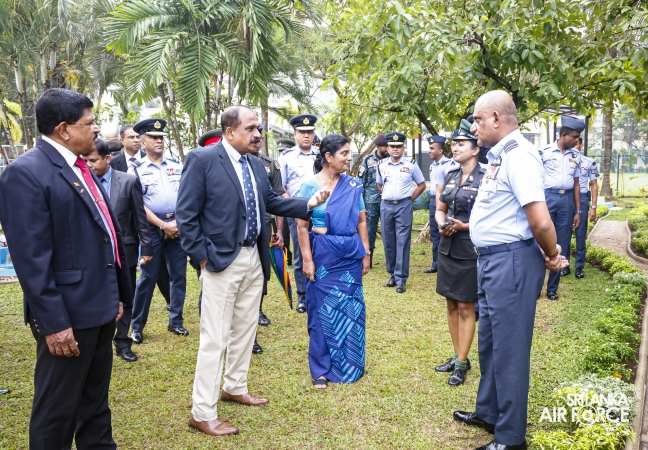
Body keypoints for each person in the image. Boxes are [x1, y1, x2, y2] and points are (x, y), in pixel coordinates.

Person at [176, 105, 329, 437]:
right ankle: (202, 412)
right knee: (215, 338)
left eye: (259, 128)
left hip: (254, 257)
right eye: (251, 128)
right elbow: (186, 215)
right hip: (220, 261)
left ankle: (234, 386)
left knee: (245, 329)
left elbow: (271, 202)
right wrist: (203, 258)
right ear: (230, 131)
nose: (258, 134)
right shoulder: (202, 160)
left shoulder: (256, 165)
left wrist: (308, 204)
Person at [0, 88, 132, 449]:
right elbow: (32, 261)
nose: (96, 129)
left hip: (99, 306)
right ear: (63, 129)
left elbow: (103, 235)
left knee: (95, 405)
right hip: (68, 316)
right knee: (56, 413)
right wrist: (55, 324)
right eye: (89, 123)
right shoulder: (26, 173)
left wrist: (116, 295)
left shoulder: (78, 166)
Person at [452, 91, 567, 450]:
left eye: (477, 119)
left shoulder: (520, 156)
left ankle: (511, 438)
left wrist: (552, 254)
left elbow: (540, 221)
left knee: (510, 349)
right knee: (490, 343)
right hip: (492, 260)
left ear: (496, 119)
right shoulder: (501, 155)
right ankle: (489, 412)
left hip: (511, 262)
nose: (473, 127)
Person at [295, 134, 370, 389]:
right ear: (328, 157)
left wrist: (365, 252)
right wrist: (307, 261)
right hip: (323, 255)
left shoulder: (353, 185)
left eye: (350, 153)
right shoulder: (309, 186)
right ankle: (321, 369)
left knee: (351, 308)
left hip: (349, 254)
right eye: (344, 153)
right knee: (321, 311)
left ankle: (349, 363)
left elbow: (361, 220)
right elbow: (302, 227)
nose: (349, 158)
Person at [84, 140, 153, 363]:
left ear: (107, 159)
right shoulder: (82, 182)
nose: (89, 165)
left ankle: (123, 342)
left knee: (126, 295)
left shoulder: (128, 181)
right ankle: (97, 341)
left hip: (125, 250)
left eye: (93, 160)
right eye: (85, 160)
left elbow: (140, 217)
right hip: (92, 253)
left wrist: (147, 247)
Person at [433, 120, 484, 387]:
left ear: (475, 149)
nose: (455, 148)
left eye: (461, 144)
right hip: (448, 247)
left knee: (466, 306)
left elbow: (490, 216)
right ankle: (458, 355)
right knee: (451, 303)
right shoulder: (451, 175)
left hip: (469, 249)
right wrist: (441, 222)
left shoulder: (485, 177)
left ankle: (462, 363)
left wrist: (465, 226)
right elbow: (440, 207)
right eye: (454, 144)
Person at [128, 118, 188, 343]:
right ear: (142, 142)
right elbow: (138, 204)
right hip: (152, 228)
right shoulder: (136, 169)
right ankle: (137, 327)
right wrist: (163, 225)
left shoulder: (176, 165)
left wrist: (176, 223)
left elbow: (185, 196)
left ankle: (176, 322)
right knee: (148, 277)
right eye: (153, 137)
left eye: (161, 137)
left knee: (178, 275)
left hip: (177, 225)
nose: (159, 141)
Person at [112, 125, 172, 311]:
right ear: (122, 140)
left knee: (159, 265)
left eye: (137, 137)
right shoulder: (114, 163)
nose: (135, 140)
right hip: (127, 225)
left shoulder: (152, 160)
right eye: (131, 137)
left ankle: (170, 300)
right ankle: (129, 305)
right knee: (134, 266)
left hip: (151, 223)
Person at [250, 126, 288, 353]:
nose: (256, 139)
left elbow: (278, 198)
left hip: (264, 224)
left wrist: (279, 232)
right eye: (251, 134)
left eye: (259, 136)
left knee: (261, 269)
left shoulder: (270, 165)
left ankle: (258, 309)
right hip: (237, 229)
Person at [277, 114, 319, 313]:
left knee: (320, 251)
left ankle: (318, 292)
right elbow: (281, 187)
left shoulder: (321, 155)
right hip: (297, 213)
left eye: (309, 132)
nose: (306, 135)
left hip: (319, 212)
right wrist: (292, 206)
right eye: (302, 132)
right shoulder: (286, 157)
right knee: (301, 255)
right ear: (295, 134)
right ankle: (303, 296)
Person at [376, 132, 427, 293]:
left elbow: (422, 185)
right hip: (386, 206)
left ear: (404, 147)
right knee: (388, 241)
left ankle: (401, 279)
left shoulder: (411, 164)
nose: (395, 149)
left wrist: (409, 199)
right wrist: (388, 196)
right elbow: (379, 185)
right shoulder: (381, 165)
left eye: (398, 146)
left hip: (404, 206)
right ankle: (392, 275)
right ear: (388, 148)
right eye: (392, 146)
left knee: (403, 241)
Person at [540, 116, 584, 300]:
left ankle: (552, 288)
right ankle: (536, 286)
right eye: (574, 136)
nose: (576, 140)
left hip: (566, 200)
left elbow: (576, 184)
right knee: (540, 242)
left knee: (563, 243)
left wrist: (577, 211)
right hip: (547, 198)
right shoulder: (544, 152)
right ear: (564, 134)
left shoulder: (576, 156)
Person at [358, 134, 390, 267]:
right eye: (385, 146)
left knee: (388, 231)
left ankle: (391, 260)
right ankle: (368, 259)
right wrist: (361, 205)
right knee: (369, 231)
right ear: (378, 146)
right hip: (370, 202)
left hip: (387, 201)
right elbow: (360, 183)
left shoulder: (392, 160)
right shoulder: (368, 160)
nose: (388, 148)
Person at [573, 136, 599, 279]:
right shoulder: (564, 161)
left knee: (580, 234)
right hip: (567, 197)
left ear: (581, 145)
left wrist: (593, 207)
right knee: (563, 234)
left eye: (576, 143)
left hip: (582, 198)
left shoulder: (589, 162)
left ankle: (579, 267)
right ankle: (563, 266)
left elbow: (594, 185)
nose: (574, 146)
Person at [424, 134, 449, 274]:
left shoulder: (449, 165)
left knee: (445, 230)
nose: (429, 151)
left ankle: (445, 263)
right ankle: (436, 264)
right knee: (435, 233)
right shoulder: (432, 166)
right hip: (434, 201)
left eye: (432, 148)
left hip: (445, 201)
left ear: (440, 151)